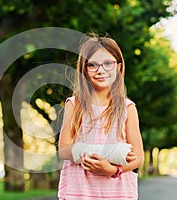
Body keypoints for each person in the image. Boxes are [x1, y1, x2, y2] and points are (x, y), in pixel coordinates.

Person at [58, 33, 144, 200]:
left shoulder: (128, 108)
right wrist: (102, 153)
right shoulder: (74, 104)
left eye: (107, 64)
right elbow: (64, 149)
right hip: (79, 192)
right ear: (84, 68)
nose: (100, 70)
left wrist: (112, 170)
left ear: (118, 67)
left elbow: (138, 158)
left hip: (118, 194)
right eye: (93, 65)